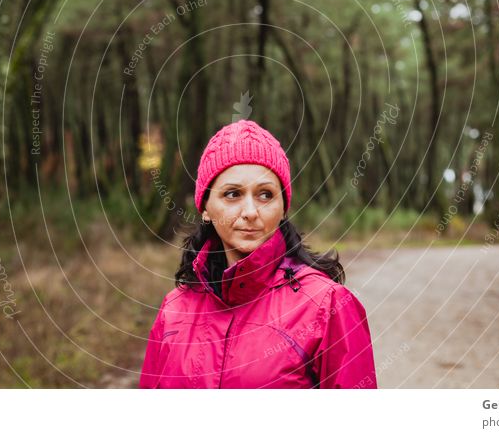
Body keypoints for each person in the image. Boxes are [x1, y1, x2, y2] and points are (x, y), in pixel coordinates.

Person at [139, 119, 377, 388]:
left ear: (283, 207)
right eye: (232, 194)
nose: (251, 211)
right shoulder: (173, 310)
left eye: (265, 195)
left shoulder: (328, 305)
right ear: (205, 207)